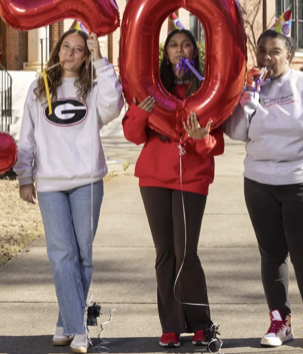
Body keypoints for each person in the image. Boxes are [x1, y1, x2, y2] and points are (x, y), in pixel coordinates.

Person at [224, 29, 303, 350]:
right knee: (272, 256)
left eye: (275, 51)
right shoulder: (251, 88)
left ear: (290, 55)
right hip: (259, 183)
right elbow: (236, 131)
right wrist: (248, 97)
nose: (267, 57)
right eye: (262, 51)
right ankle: (279, 322)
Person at [15, 29, 124, 354]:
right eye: (67, 47)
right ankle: (79, 330)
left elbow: (114, 104)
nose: (71, 54)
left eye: (79, 49)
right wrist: (24, 175)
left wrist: (102, 58)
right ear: (57, 48)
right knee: (61, 255)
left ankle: (66, 321)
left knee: (82, 257)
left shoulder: (92, 87)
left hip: (87, 181)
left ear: (86, 55)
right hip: (50, 184)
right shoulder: (39, 87)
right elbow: (26, 137)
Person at [122, 28, 223, 349]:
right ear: (165, 53)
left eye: (186, 45)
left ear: (196, 52)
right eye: (174, 46)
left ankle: (201, 325)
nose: (180, 50)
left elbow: (215, 143)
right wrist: (141, 111)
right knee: (165, 254)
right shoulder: (152, 86)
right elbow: (133, 135)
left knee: (186, 254)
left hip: (192, 180)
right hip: (153, 179)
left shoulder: (208, 90)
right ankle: (170, 326)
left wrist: (200, 139)